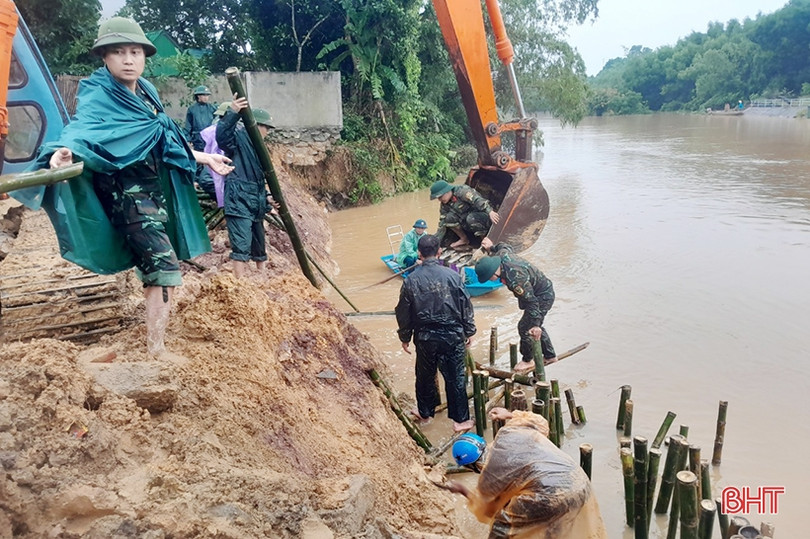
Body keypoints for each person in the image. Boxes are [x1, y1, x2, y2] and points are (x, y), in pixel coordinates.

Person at [44, 17, 234, 357]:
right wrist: (66, 151)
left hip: (154, 193)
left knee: (159, 268)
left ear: (145, 56)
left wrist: (206, 159)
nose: (128, 59)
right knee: (164, 269)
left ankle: (154, 344)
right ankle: (156, 351)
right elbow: (84, 129)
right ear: (105, 56)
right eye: (119, 52)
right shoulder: (98, 92)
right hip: (126, 199)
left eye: (135, 52)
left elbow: (161, 140)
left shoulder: (147, 92)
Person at [445, 407, 607, 538]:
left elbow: (486, 510)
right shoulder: (509, 433)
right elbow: (539, 422)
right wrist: (508, 414)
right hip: (578, 480)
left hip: (551, 495)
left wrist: (463, 490)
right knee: (557, 526)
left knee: (502, 529)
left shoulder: (490, 475)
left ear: (470, 467)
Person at [395, 234, 476, 432]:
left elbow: (403, 312)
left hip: (425, 338)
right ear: (439, 252)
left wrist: (405, 337)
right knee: (455, 377)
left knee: (424, 375)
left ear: (419, 254)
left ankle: (425, 412)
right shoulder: (453, 276)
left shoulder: (410, 280)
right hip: (452, 336)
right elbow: (465, 305)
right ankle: (460, 420)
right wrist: (470, 330)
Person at [216, 96, 277, 278]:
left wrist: (266, 198)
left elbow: (258, 178)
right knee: (241, 244)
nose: (268, 132)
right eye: (266, 127)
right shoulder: (239, 139)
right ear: (257, 125)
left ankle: (262, 277)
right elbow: (222, 136)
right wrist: (233, 113)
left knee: (259, 243)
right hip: (239, 199)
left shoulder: (259, 148)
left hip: (254, 200)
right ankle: (240, 282)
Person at [475, 238, 556, 371]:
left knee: (525, 327)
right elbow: (504, 245)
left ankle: (528, 360)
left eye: (490, 277)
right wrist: (491, 247)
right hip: (538, 291)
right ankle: (550, 355)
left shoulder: (515, 279)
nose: (490, 280)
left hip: (542, 296)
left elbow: (532, 302)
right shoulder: (501, 255)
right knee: (533, 324)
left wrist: (535, 324)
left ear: (495, 272)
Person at [429, 179, 500, 250]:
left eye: (440, 197)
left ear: (447, 191)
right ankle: (464, 239)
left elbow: (477, 200)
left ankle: (485, 241)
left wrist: (490, 211)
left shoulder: (462, 191)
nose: (439, 200)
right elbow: (442, 223)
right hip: (467, 221)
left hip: (481, 217)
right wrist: (436, 243)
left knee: (471, 218)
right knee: (448, 218)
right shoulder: (445, 204)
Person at [199, 101, 231, 207]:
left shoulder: (238, 131)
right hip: (213, 163)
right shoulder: (211, 131)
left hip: (227, 165)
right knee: (206, 180)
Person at [185, 85, 216, 152]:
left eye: (207, 95)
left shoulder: (212, 108)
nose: (206, 97)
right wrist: (187, 140)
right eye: (204, 95)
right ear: (198, 96)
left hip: (210, 139)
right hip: (197, 140)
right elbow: (188, 126)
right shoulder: (192, 109)